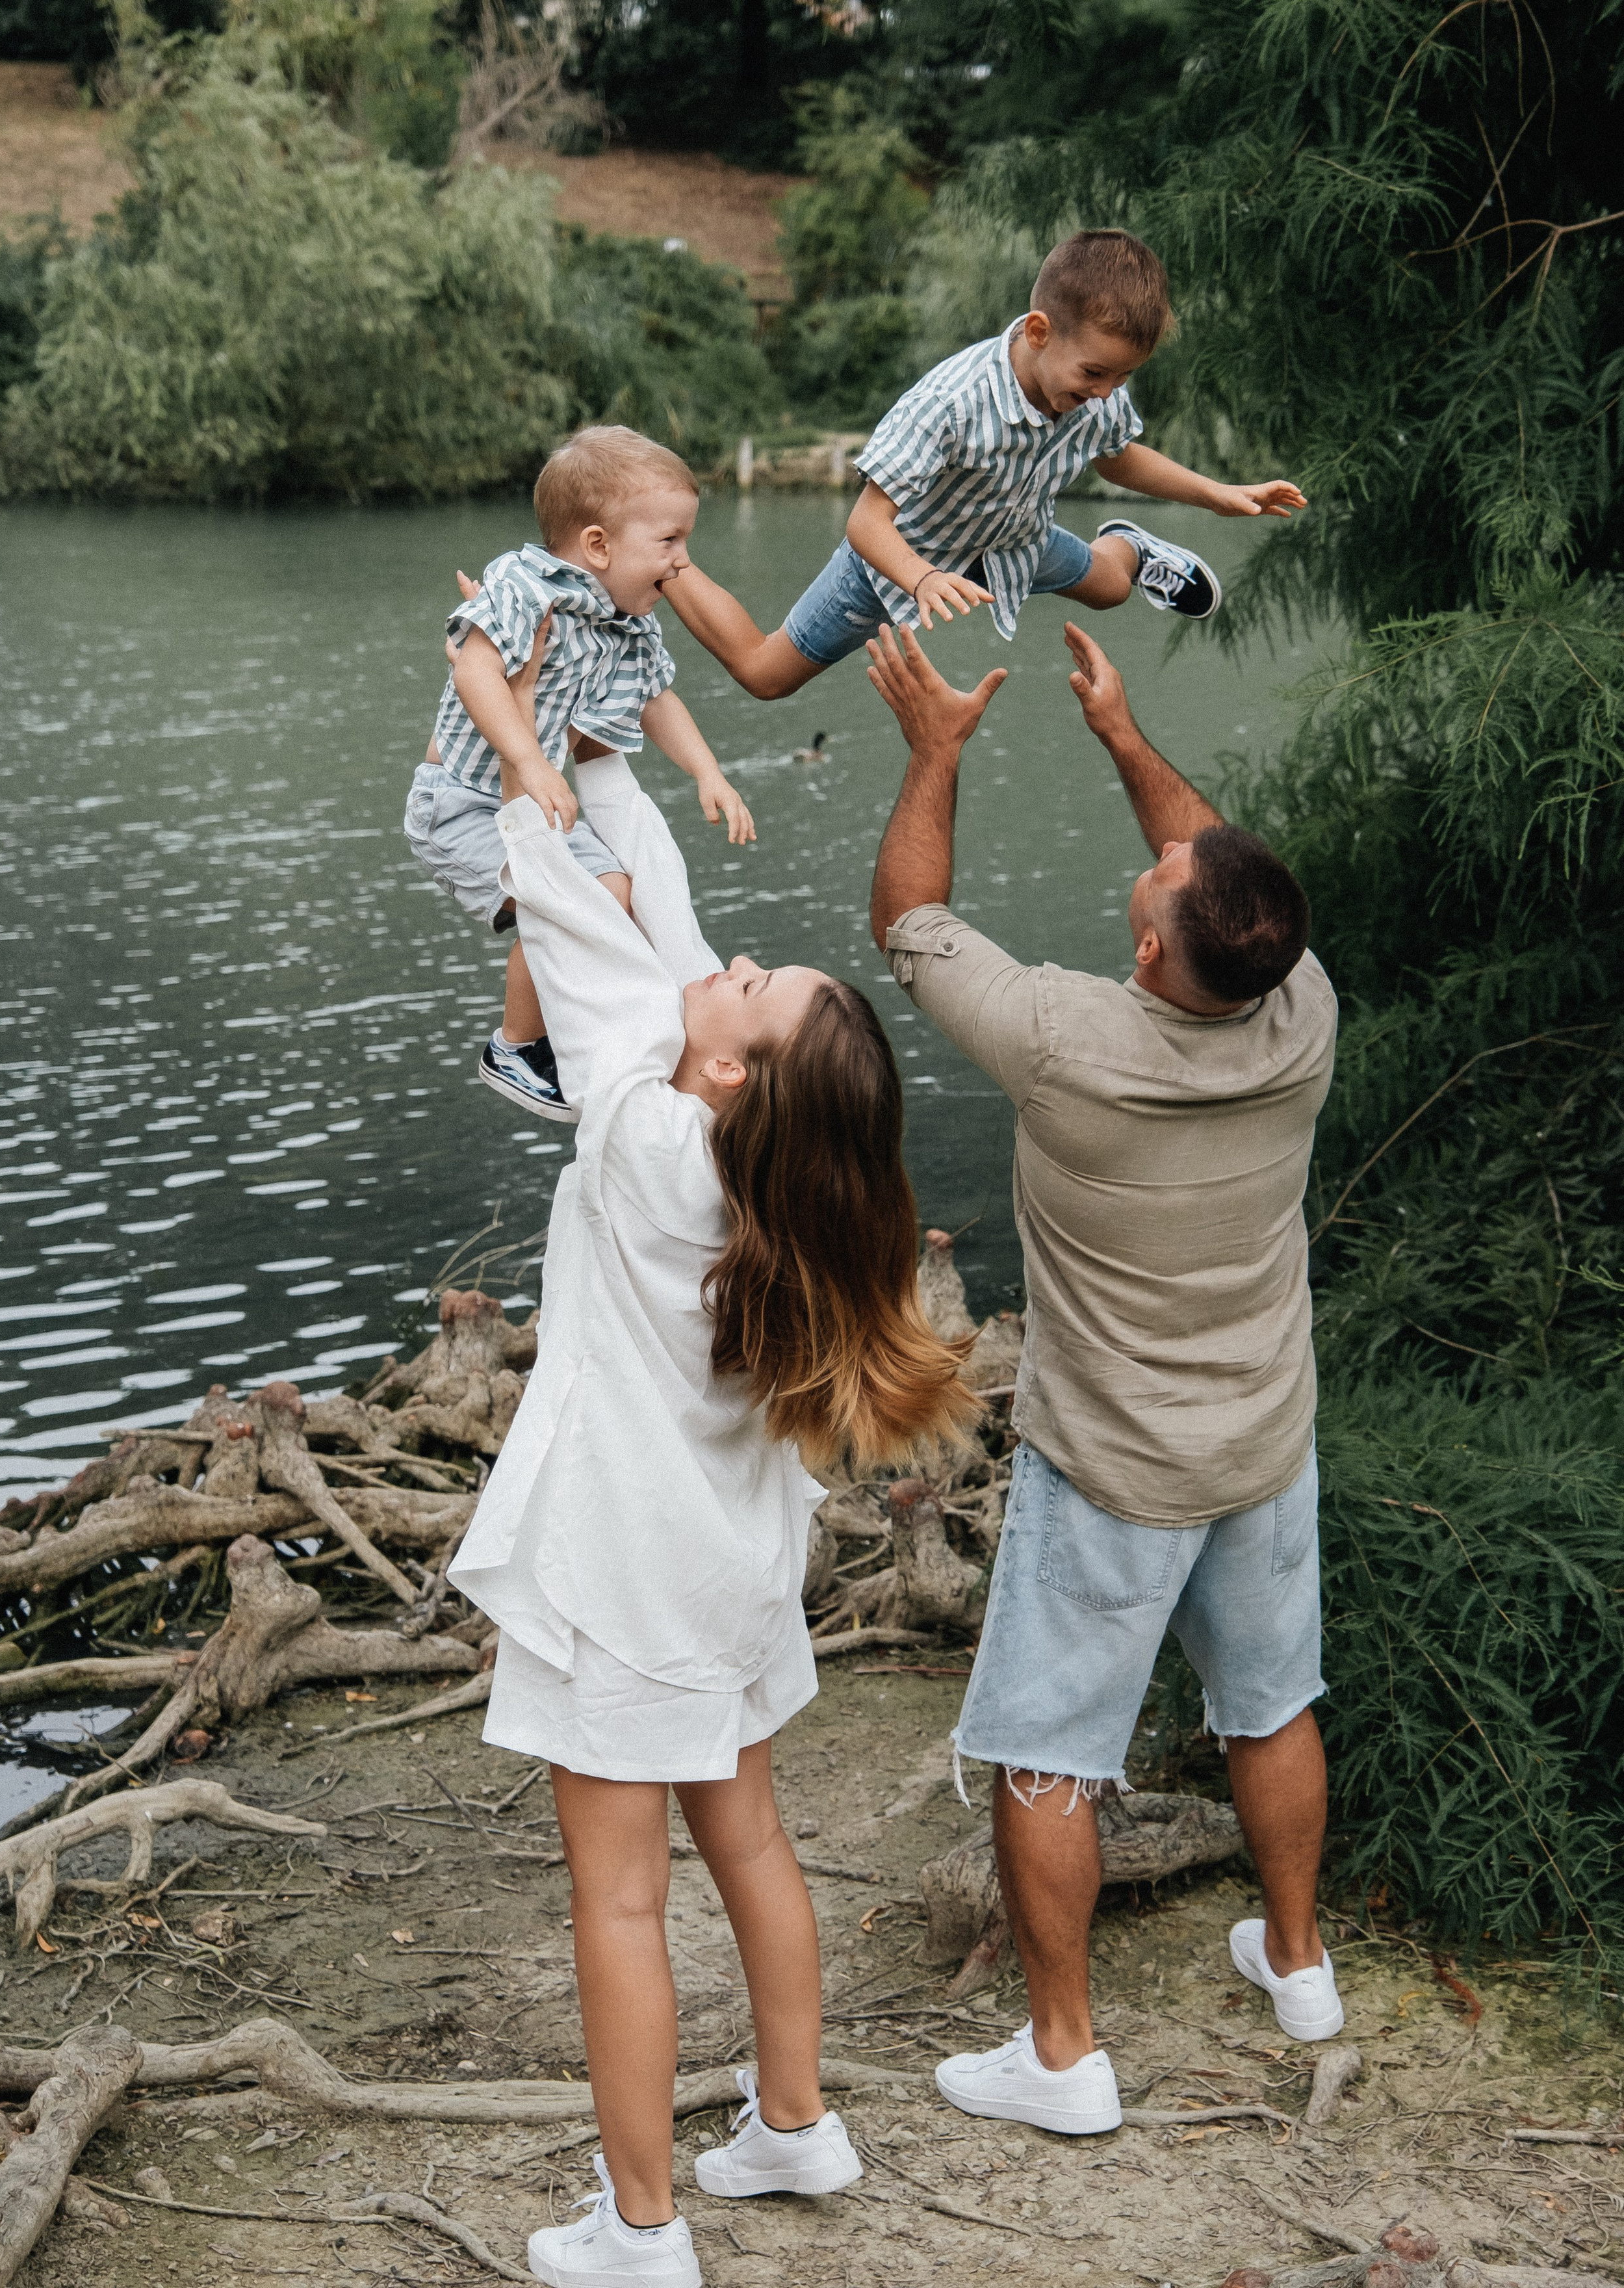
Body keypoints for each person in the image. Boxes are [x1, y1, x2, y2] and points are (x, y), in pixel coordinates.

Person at [450, 745, 974, 2285]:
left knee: (619, 1895)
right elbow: (665, 946)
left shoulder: (647, 1141)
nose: (726, 959)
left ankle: (640, 2225)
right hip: (732, 1576)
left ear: (728, 1072)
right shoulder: (778, 1183)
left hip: (625, 1580)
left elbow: (597, 946)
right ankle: (793, 2122)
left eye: (749, 985)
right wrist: (610, 780)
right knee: (746, 1843)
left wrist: (523, 788)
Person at [864, 616, 1340, 2140]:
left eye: (1163, 883)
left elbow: (911, 919)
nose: (1167, 858)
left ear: (1149, 945)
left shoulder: (1066, 1040)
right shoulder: (1300, 1011)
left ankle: (1061, 2056)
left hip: (1113, 1470)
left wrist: (936, 750)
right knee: (1269, 1706)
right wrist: (1126, 737)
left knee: (1046, 1746)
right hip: (1260, 1441)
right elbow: (1223, 885)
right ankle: (1297, 1961)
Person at [661, 228, 1306, 699]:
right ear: (1037, 332)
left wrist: (1215, 494)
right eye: (1095, 374)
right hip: (896, 559)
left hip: (1014, 539)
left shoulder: (1092, 384)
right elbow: (866, 524)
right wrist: (919, 579)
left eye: (1123, 377)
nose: (1107, 393)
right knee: (764, 676)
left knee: (1110, 590)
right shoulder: (949, 404)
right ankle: (666, 561)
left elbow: (1115, 457)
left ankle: (1131, 551)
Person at [403, 425, 754, 1125]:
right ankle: (515, 1046)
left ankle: (567, 1038)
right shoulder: (524, 585)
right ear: (597, 545)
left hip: (534, 805)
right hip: (461, 805)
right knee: (576, 897)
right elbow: (474, 667)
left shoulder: (625, 620)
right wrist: (531, 759)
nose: (683, 562)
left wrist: (707, 772)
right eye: (669, 542)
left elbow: (658, 699)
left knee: (614, 895)